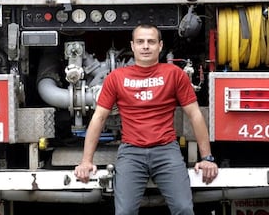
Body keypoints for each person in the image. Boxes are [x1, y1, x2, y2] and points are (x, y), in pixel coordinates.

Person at [74, 24, 218, 215]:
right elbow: (99, 118)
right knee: (124, 212)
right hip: (131, 153)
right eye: (140, 42)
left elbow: (194, 114)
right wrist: (86, 161)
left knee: (183, 208)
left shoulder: (174, 74)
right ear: (132, 46)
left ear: (160, 46)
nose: (146, 46)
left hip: (167, 151)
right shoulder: (116, 77)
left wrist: (207, 158)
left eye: (151, 41)